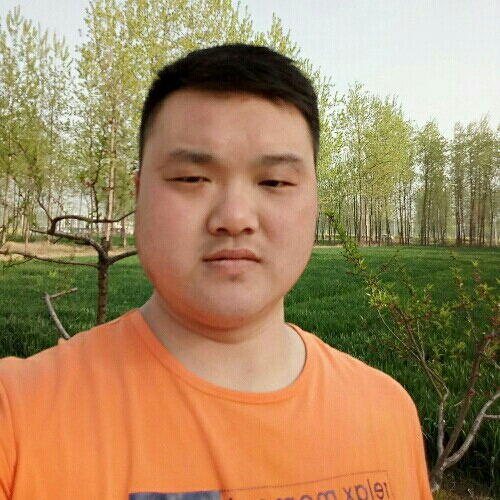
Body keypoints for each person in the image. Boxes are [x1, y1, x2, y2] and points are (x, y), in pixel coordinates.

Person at [0, 44, 432, 499]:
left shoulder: (387, 415)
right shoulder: (19, 420)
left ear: (314, 202)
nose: (234, 217)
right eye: (192, 179)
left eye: (275, 182)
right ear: (140, 194)